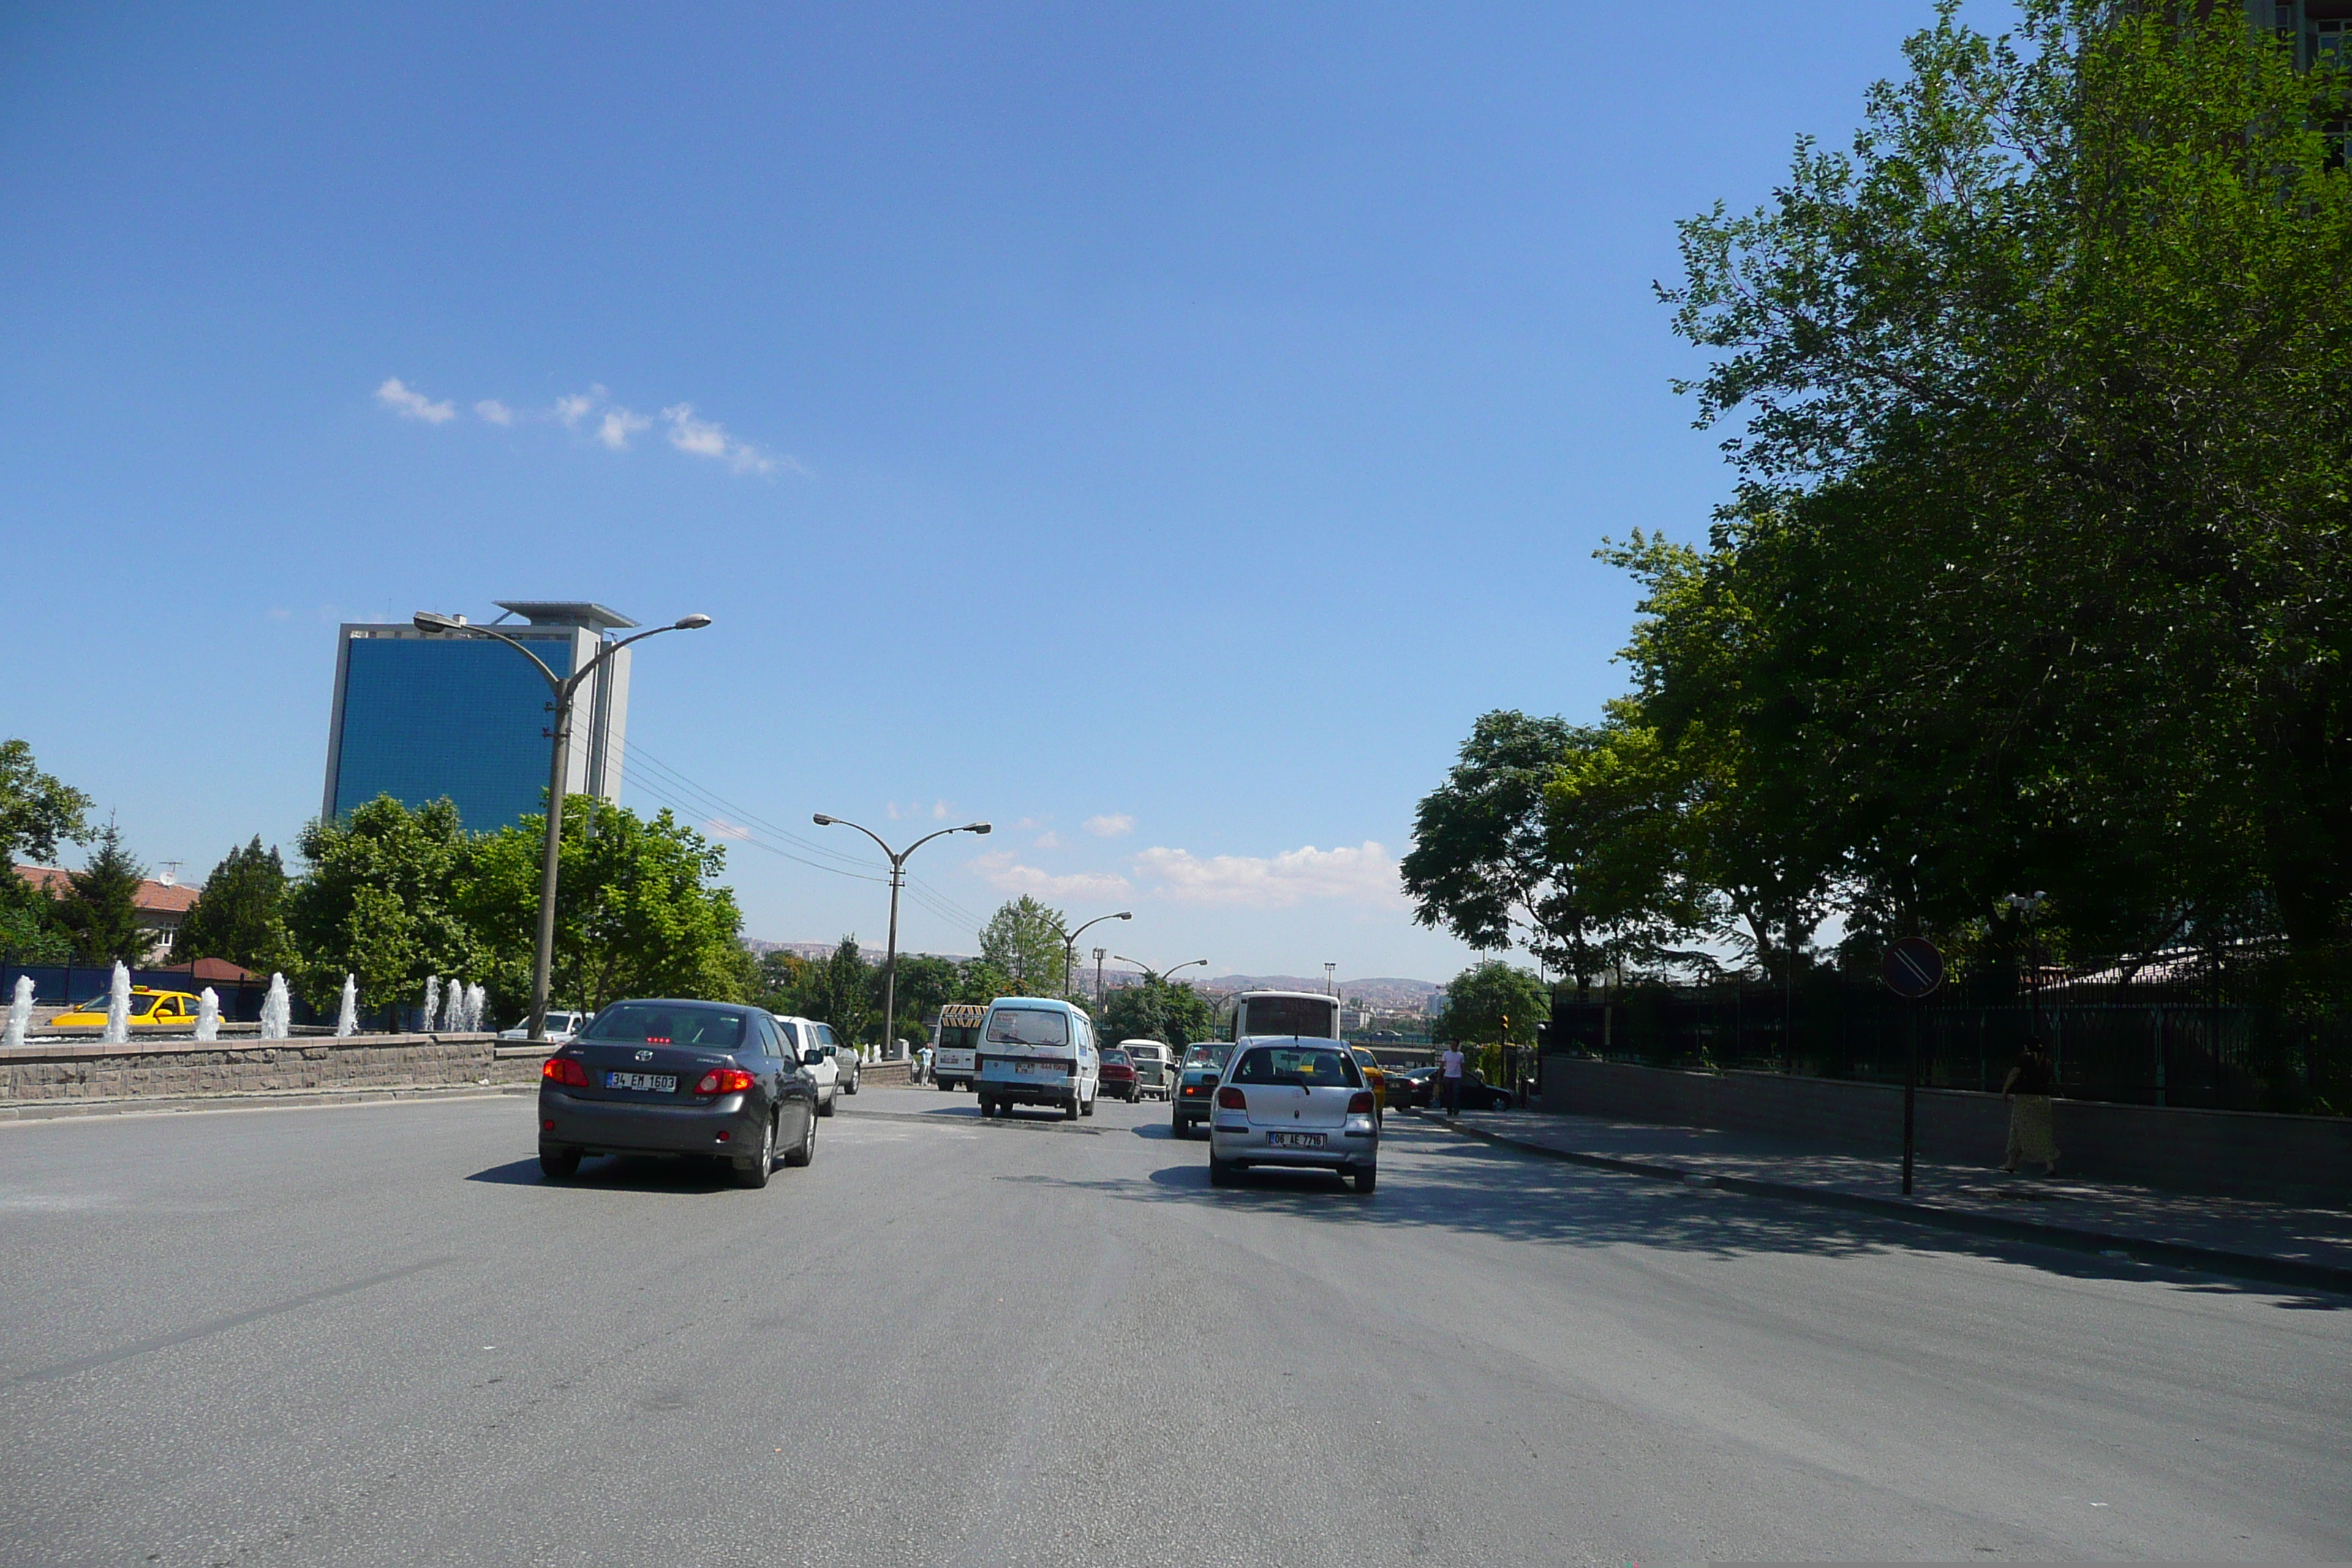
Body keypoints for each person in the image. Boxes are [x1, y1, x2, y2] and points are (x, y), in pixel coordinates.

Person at [2001, 1042, 2061, 1176]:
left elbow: (2015, 1073)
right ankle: (2048, 1163)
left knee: (2017, 1127)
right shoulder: (2047, 1061)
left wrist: (2005, 1089)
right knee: (2042, 1130)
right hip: (2043, 1099)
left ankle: (2012, 1162)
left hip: (2024, 1098)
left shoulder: (2025, 1057)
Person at [1439, 1042, 1466, 1116]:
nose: (1452, 1046)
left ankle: (1456, 1110)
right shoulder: (1446, 1054)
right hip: (1448, 1076)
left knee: (1456, 1094)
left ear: (1457, 1046)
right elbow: (1442, 1065)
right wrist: (1440, 1075)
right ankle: (1449, 1110)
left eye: (1454, 1045)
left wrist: (1463, 1076)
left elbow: (1462, 1067)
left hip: (1457, 1077)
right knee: (1448, 1094)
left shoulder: (1461, 1055)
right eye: (1451, 1044)